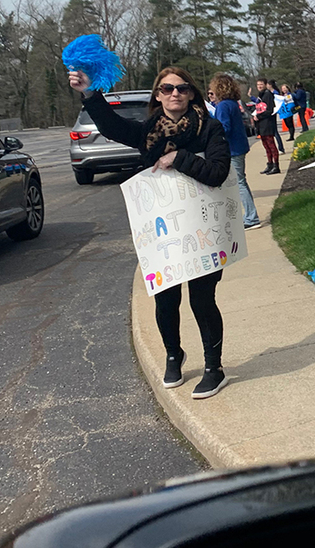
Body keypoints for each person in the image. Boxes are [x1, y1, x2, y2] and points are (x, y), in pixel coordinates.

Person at [68, 65, 233, 400]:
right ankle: (174, 354)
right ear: (157, 94)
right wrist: (89, 93)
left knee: (202, 299)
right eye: (168, 88)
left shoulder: (209, 128)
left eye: (183, 88)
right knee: (165, 298)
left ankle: (214, 368)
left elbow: (218, 173)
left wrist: (180, 157)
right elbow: (113, 127)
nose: (175, 94)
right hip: (163, 234)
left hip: (202, 231)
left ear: (192, 93)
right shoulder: (148, 131)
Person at [208, 73, 261, 230]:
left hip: (232, 149)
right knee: (240, 181)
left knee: (239, 183)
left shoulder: (224, 106)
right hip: (239, 146)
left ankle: (252, 217)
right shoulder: (231, 103)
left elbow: (224, 128)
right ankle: (249, 216)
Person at [253, 77, 281, 175]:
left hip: (267, 124)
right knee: (266, 146)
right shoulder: (260, 96)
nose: (259, 86)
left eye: (261, 84)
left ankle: (276, 166)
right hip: (261, 125)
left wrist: (259, 116)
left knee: (271, 145)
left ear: (265, 85)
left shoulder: (268, 95)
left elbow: (269, 111)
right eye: (258, 85)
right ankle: (270, 164)